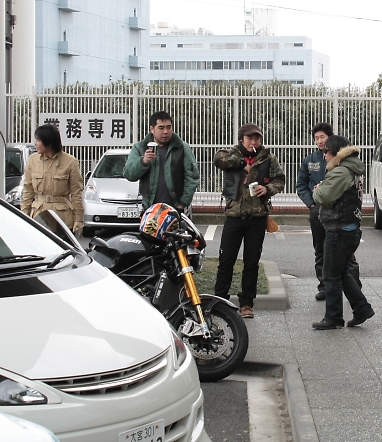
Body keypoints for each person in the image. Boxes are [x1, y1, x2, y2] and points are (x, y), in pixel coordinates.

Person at [214, 123, 285, 318]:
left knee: (251, 263)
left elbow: (280, 179)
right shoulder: (232, 154)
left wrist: (267, 189)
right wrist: (241, 163)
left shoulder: (267, 158)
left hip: (257, 217)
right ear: (241, 139)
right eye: (249, 138)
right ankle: (220, 300)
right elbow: (218, 158)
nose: (253, 142)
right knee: (226, 260)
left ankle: (247, 304)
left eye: (257, 138)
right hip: (234, 216)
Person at [311, 135, 374, 330]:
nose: (324, 155)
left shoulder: (341, 171)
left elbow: (324, 197)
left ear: (336, 152)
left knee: (331, 275)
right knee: (343, 272)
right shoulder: (352, 169)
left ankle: (333, 318)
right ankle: (362, 309)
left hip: (339, 229)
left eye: (326, 151)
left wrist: (318, 189)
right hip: (350, 228)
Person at [296, 122, 361, 301]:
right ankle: (325, 286)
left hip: (338, 214)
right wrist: (311, 203)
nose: (319, 141)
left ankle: (354, 287)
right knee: (320, 250)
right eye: (316, 138)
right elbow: (301, 184)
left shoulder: (341, 163)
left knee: (345, 253)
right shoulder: (310, 160)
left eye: (322, 137)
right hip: (318, 210)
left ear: (330, 138)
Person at [123, 111, 200, 215]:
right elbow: (129, 174)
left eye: (169, 127)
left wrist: (182, 203)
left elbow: (192, 177)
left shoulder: (182, 147)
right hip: (150, 209)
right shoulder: (140, 148)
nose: (166, 131)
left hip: (175, 208)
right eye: (161, 128)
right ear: (152, 129)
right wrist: (143, 161)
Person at [21, 124, 84, 238]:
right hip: (39, 216)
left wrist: (79, 219)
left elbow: (76, 193)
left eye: (38, 140)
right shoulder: (32, 160)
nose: (35, 143)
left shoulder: (71, 162)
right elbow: (28, 191)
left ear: (49, 143)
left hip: (62, 219)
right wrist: (24, 215)